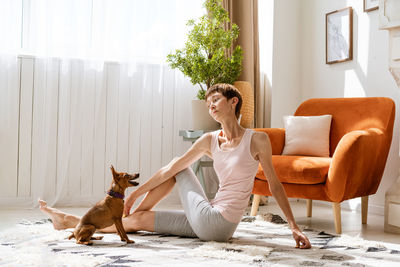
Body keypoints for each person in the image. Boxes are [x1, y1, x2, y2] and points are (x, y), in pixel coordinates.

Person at [39, 83, 311, 248]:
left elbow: (274, 184)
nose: (210, 106)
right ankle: (70, 223)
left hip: (219, 224)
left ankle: (121, 207)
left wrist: (293, 227)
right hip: (212, 222)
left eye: (215, 100)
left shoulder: (258, 139)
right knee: (141, 221)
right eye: (207, 103)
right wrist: (135, 193)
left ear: (233, 102)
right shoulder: (210, 140)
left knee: (177, 166)